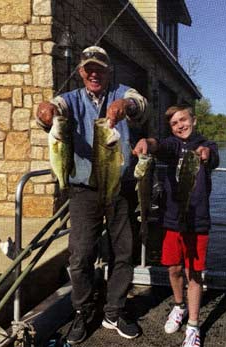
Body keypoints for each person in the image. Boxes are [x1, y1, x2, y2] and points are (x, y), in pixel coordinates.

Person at [36, 46, 148, 344]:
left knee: (123, 252)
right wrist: (45, 112)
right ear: (81, 72)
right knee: (80, 254)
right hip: (83, 190)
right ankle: (82, 312)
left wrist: (126, 105)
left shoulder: (123, 92)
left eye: (99, 68)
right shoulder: (70, 99)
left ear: (109, 70)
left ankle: (115, 311)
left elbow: (140, 104)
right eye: (88, 69)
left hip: (118, 188)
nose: (94, 73)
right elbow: (52, 110)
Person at [133, 104, 219, 347]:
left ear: (194, 119)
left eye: (184, 120)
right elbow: (157, 145)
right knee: (173, 268)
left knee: (194, 273)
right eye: (174, 123)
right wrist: (146, 144)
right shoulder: (171, 145)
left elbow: (212, 155)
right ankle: (179, 306)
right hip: (172, 219)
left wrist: (205, 154)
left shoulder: (207, 144)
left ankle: (193, 325)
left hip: (197, 220)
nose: (180, 125)